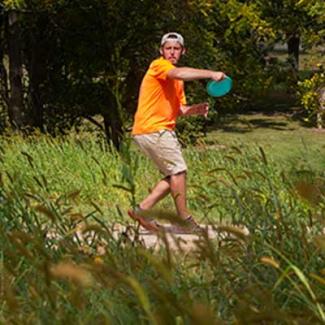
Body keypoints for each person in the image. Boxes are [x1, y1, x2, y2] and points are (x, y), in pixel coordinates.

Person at [128, 32, 226, 233]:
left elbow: (179, 109)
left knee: (173, 175)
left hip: (148, 130)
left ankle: (142, 210)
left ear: (183, 51)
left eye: (176, 48)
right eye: (168, 48)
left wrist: (194, 109)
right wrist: (211, 74)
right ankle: (185, 220)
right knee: (179, 171)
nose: (172, 52)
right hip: (155, 129)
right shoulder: (159, 66)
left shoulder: (177, 82)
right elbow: (179, 73)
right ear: (162, 51)